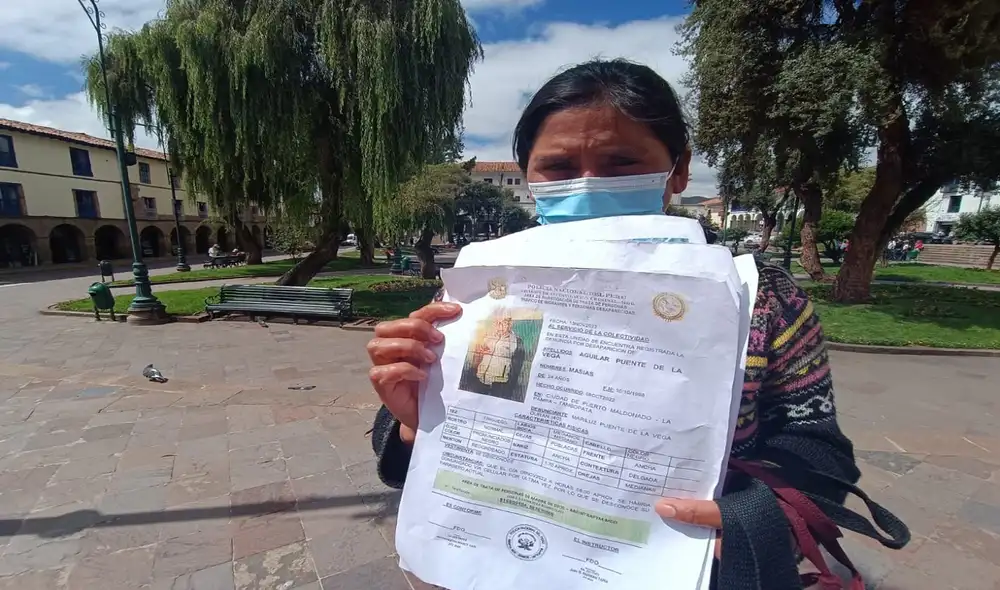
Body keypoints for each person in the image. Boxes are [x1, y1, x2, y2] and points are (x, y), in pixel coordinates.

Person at [366, 59, 904, 589]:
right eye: (557, 167)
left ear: (679, 170)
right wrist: (415, 418)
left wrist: (754, 519)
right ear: (528, 174)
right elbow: (443, 426)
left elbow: (816, 448)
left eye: (621, 161)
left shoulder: (760, 297)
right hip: (499, 557)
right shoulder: (481, 293)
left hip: (683, 567)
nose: (587, 184)